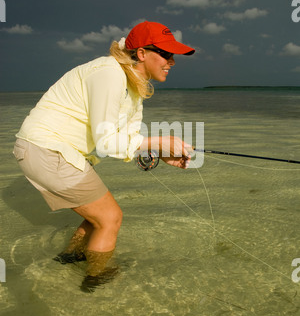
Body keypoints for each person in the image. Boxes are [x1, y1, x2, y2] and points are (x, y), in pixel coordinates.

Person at [13, 21, 195, 291]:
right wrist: (159, 140)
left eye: (173, 56)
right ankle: (95, 278)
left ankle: (70, 257)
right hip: (47, 149)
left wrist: (157, 150)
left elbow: (129, 135)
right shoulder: (109, 74)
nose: (172, 61)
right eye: (166, 54)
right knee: (110, 218)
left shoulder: (134, 83)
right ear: (142, 54)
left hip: (56, 151)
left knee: (96, 215)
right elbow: (107, 141)